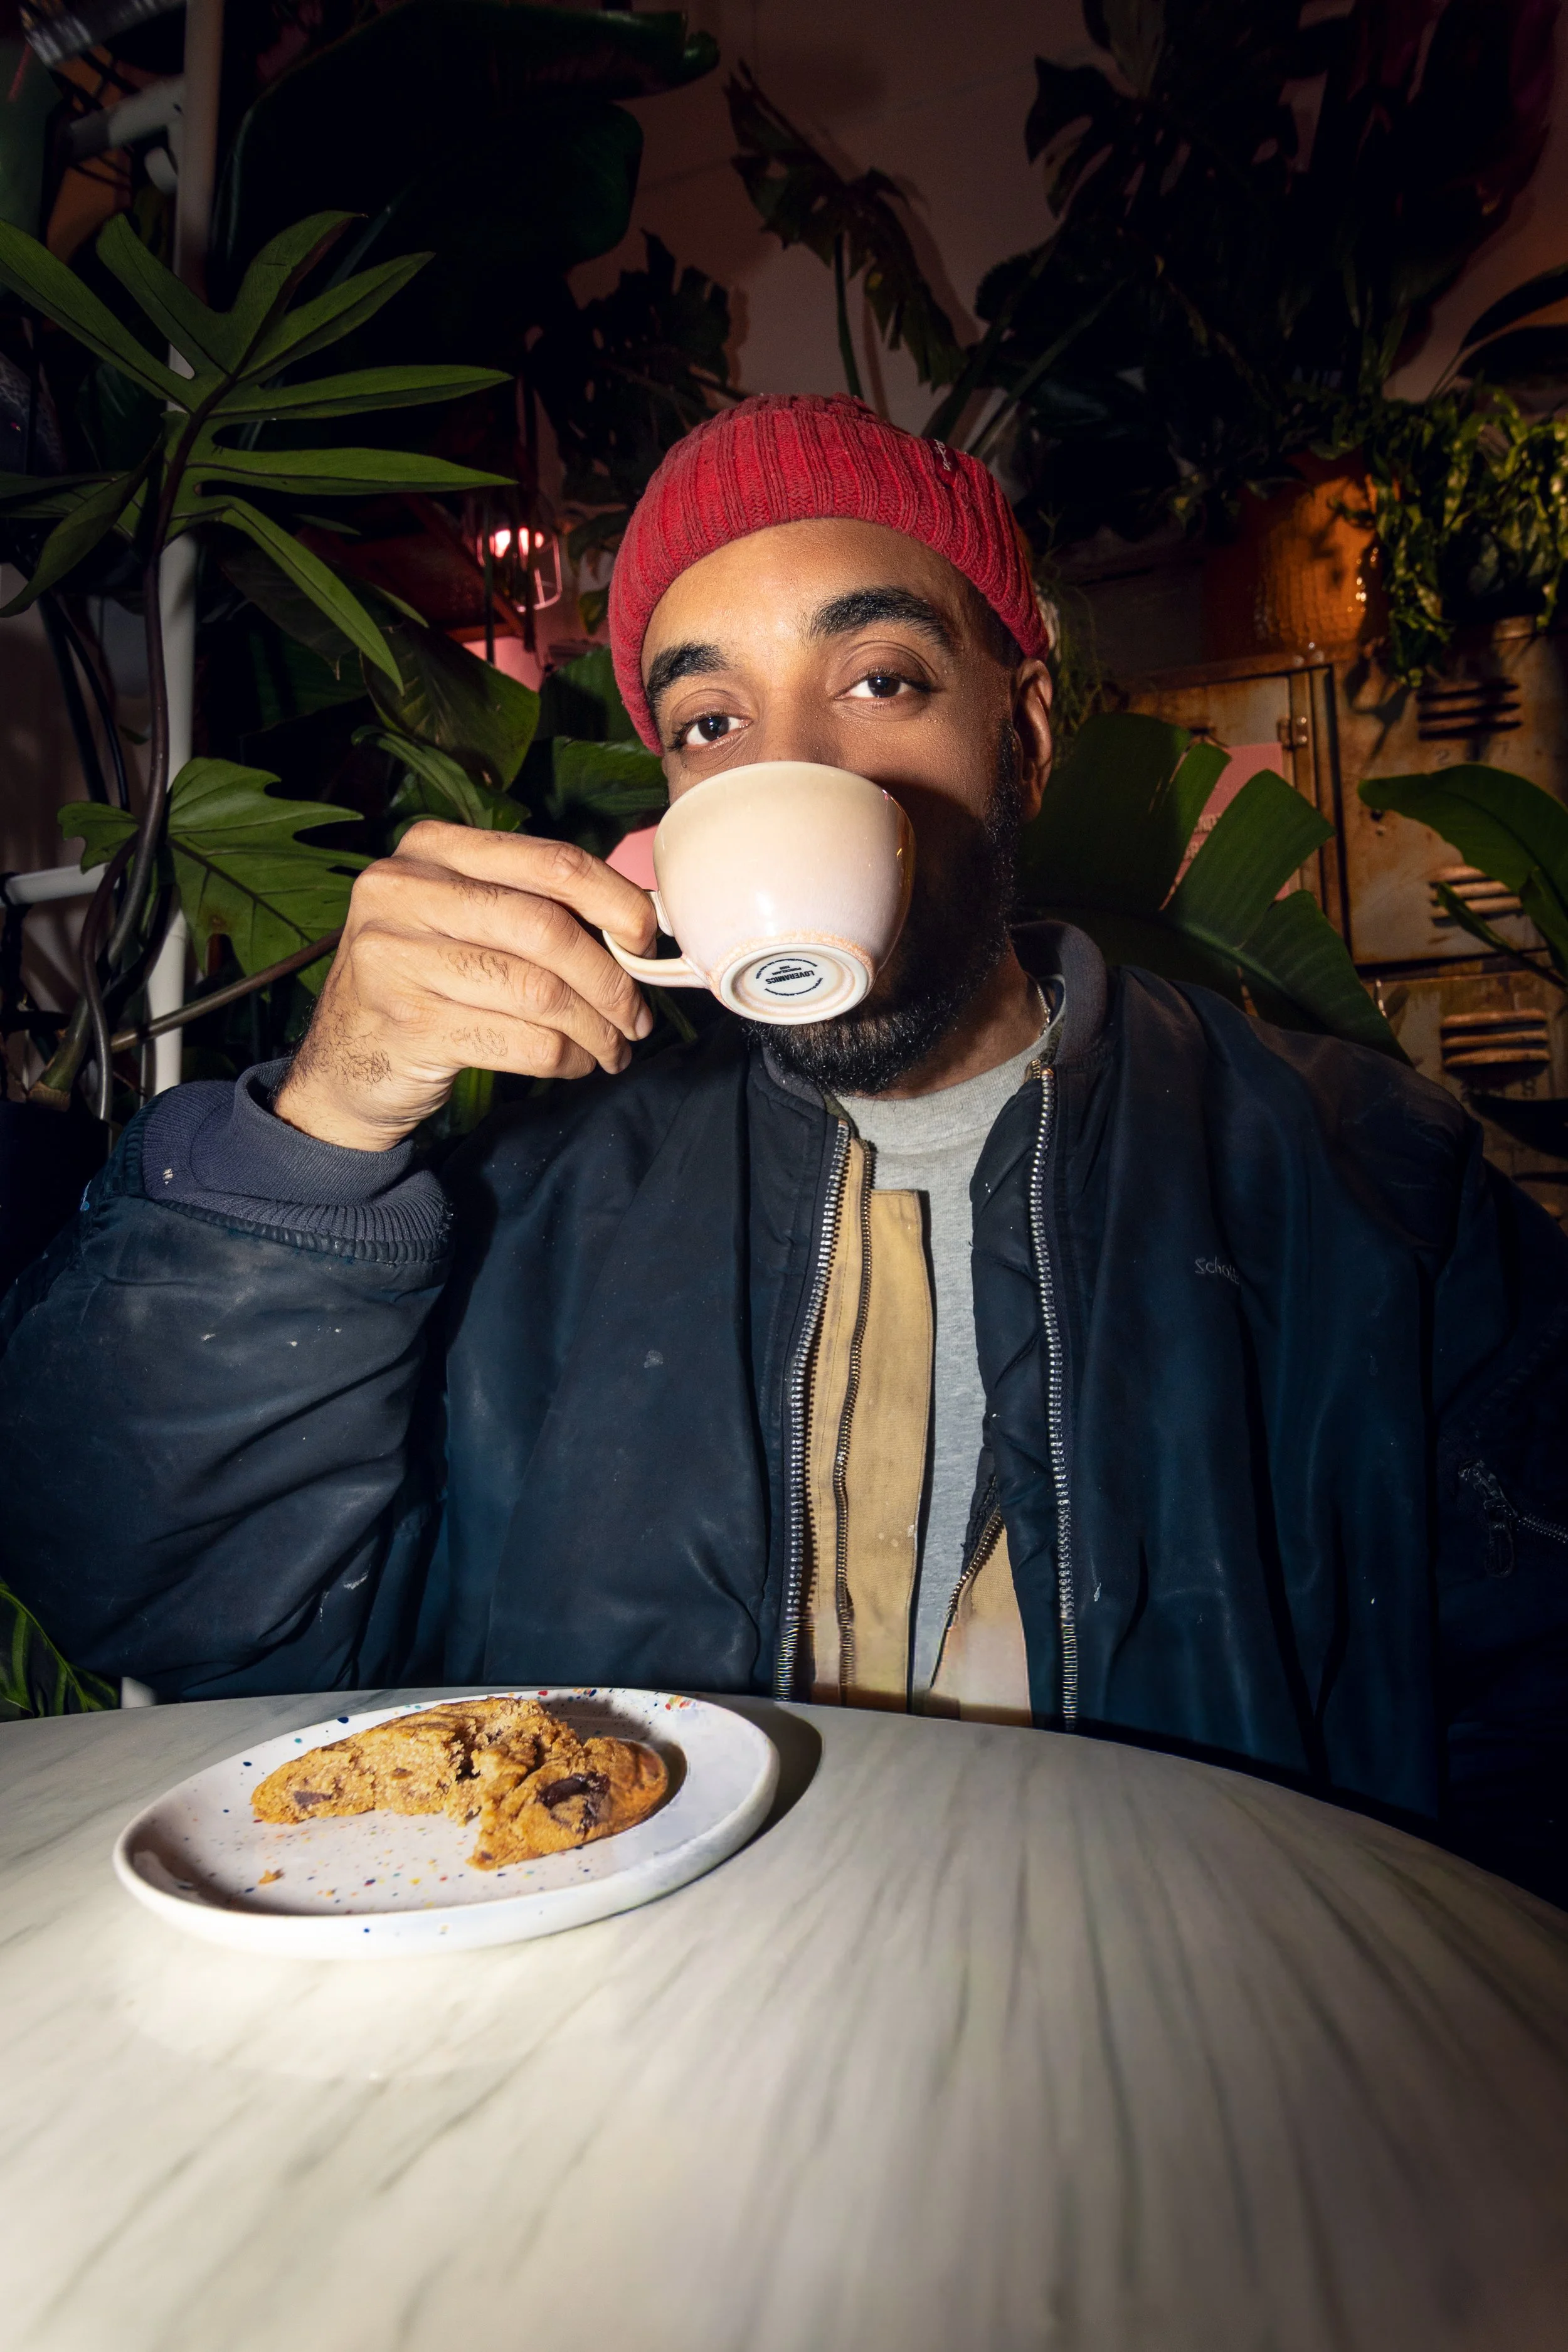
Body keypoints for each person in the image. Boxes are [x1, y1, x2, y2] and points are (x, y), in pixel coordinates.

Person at [4, 394, 1566, 1900]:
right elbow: (158, 1591)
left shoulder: (1371, 1185)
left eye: (879, 680)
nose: (790, 767)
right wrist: (325, 1128)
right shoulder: (525, 1214)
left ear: (1021, 736)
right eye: (711, 721)